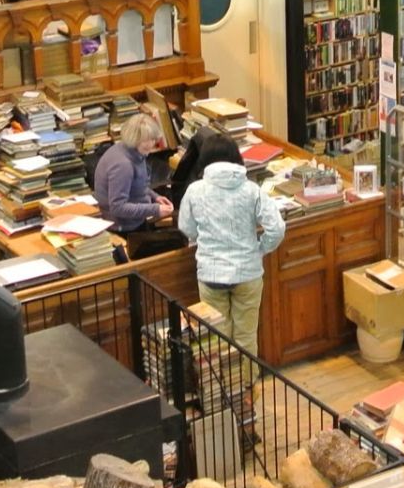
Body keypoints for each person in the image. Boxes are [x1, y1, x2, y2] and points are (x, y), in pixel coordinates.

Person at [178, 157, 287, 355]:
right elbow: (277, 228)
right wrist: (261, 249)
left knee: (216, 338)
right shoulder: (252, 190)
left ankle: (224, 385)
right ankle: (247, 383)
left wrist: (201, 237)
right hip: (248, 272)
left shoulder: (195, 190)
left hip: (211, 272)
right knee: (246, 335)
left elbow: (186, 227)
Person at [94, 114, 182, 261]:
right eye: (147, 140)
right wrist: (155, 209)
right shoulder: (123, 165)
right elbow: (118, 207)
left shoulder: (134, 152)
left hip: (136, 221)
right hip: (124, 230)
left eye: (153, 139)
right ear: (134, 139)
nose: (152, 144)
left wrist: (155, 197)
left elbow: (138, 185)